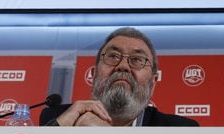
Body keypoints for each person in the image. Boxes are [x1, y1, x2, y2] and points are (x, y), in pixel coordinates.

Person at [41, 27, 199, 126]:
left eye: (137, 60)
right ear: (94, 74)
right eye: (112, 56)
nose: (122, 66)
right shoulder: (57, 117)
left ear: (153, 82)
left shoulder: (180, 129)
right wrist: (58, 129)